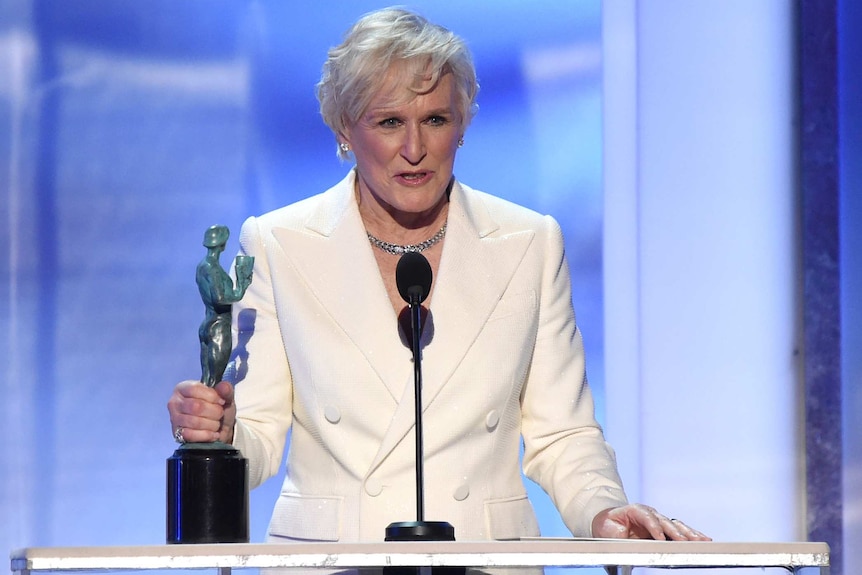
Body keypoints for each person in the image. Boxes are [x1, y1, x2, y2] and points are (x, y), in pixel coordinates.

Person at [168, 7, 710, 544]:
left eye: (435, 119)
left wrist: (604, 511)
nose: (414, 149)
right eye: (388, 122)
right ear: (344, 130)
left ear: (463, 123)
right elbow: (257, 433)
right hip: (336, 559)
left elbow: (563, 433)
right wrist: (218, 432)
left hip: (483, 557)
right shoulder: (277, 244)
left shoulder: (529, 243)